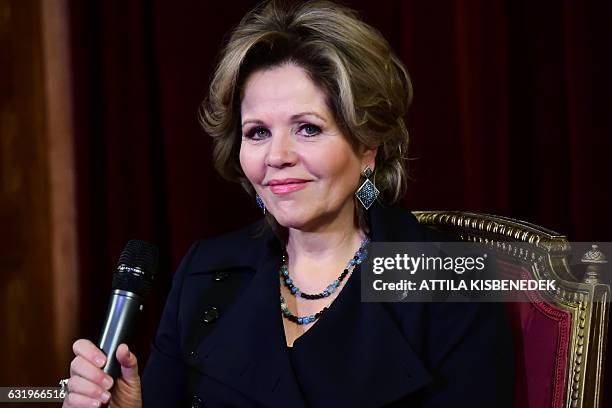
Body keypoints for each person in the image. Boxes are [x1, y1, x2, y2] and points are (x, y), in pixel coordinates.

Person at [63, 1, 514, 407]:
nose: (277, 156)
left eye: (308, 128)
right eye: (258, 132)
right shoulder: (206, 274)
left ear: (368, 147)